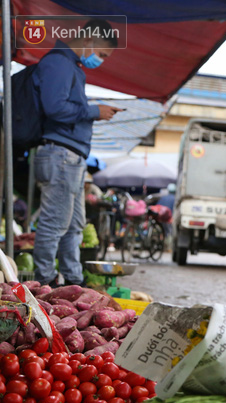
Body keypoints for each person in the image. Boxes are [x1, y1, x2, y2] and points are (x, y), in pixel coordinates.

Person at [32, 19, 123, 287]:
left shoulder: (70, 66)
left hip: (70, 157)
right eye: (102, 54)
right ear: (88, 40)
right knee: (55, 224)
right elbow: (55, 108)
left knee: (73, 226)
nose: (101, 60)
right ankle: (45, 281)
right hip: (61, 155)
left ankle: (73, 281)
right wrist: (95, 111)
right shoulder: (59, 63)